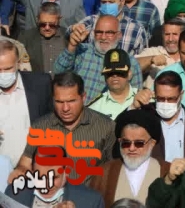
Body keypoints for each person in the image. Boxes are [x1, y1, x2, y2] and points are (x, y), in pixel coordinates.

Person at [8, 71, 116, 185]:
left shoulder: (105, 126)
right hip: (51, 194)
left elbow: (114, 169)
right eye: (59, 102)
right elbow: (25, 163)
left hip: (90, 194)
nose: (65, 108)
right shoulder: (40, 127)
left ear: (83, 97)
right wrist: (20, 172)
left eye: (71, 101)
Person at [88, 108, 170, 207]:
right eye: (126, 143)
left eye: (139, 143)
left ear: (152, 143)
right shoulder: (104, 172)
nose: (131, 148)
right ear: (119, 142)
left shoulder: (167, 170)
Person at [55, 14, 144, 100]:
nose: (103, 37)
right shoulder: (82, 51)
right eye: (99, 32)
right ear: (93, 33)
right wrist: (72, 46)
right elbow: (58, 73)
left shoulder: (130, 62)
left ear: (119, 35)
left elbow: (136, 96)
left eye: (109, 33)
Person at [0, 38, 52, 166]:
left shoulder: (40, 84)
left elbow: (52, 122)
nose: (2, 74)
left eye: (8, 68)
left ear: (18, 63)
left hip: (34, 167)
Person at [4, 146, 105, 207]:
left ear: (66, 173)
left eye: (54, 178)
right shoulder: (14, 194)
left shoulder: (91, 201)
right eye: (41, 177)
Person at [88, 48, 143, 120]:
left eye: (119, 72)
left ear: (129, 74)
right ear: (105, 77)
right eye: (110, 73)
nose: (114, 76)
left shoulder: (144, 99)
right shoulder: (94, 108)